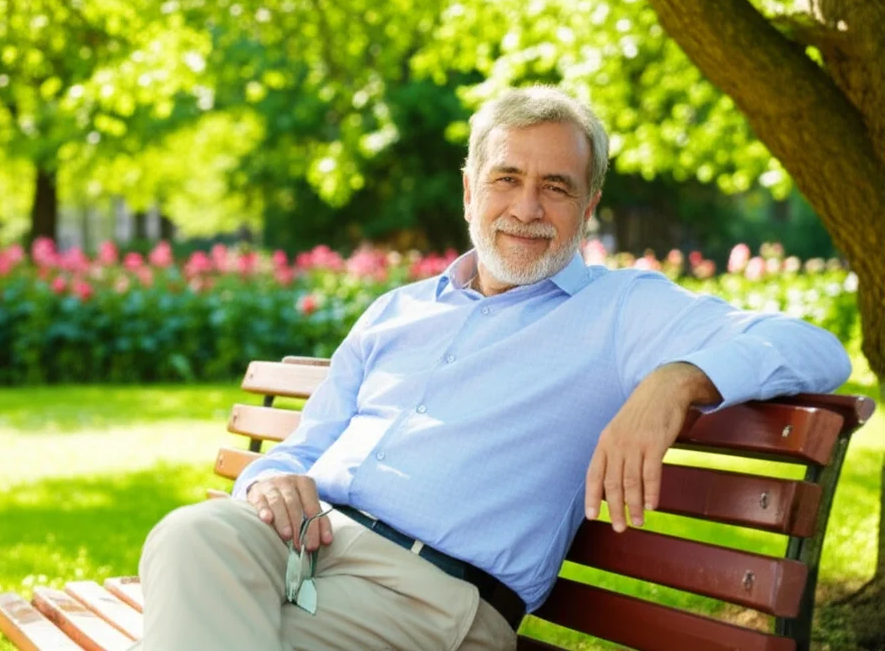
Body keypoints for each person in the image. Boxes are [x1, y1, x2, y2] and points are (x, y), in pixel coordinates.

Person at [130, 86, 851, 651]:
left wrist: (679, 377)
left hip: (428, 597)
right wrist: (271, 477)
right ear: (471, 189)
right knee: (188, 534)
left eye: (557, 187)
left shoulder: (622, 310)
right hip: (296, 544)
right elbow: (304, 449)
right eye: (507, 179)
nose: (526, 208)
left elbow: (816, 345)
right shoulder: (398, 309)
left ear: (589, 205)